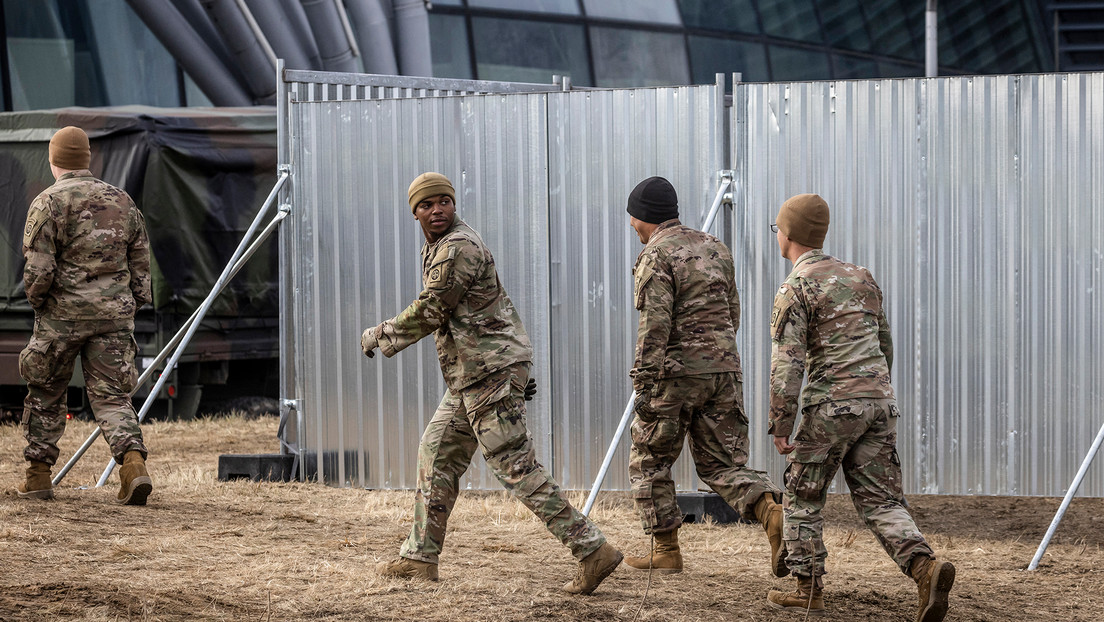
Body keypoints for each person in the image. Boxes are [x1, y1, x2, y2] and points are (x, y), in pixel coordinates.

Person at [361, 172, 622, 594]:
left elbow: (432, 310)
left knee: (515, 466)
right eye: (426, 205)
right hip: (476, 374)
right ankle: (419, 557)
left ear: (453, 203)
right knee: (438, 450)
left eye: (443, 201)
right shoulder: (439, 247)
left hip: (487, 373)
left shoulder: (457, 247)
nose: (437, 209)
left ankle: (592, 550)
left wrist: (381, 334)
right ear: (415, 213)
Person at [766, 193, 955, 621]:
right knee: (882, 500)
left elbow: (787, 362)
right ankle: (925, 568)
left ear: (789, 233)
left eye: (777, 227)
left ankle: (807, 588)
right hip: (879, 402)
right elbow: (884, 344)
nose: (776, 234)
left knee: (803, 491)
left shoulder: (796, 286)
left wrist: (781, 422)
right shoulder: (861, 277)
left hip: (833, 405)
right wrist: (873, 391)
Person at [623, 176, 786, 577]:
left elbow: (655, 323)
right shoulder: (715, 247)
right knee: (722, 464)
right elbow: (733, 311)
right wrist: (717, 357)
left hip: (674, 374)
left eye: (631, 217)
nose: (630, 224)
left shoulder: (656, 254)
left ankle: (665, 550)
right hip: (724, 370)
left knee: (649, 459)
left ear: (641, 217)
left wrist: (644, 380)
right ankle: (771, 513)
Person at [17, 126, 153, 505]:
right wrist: (130, 304)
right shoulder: (122, 201)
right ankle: (133, 466)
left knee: (46, 391)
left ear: (53, 159)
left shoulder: (47, 203)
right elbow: (141, 265)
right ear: (87, 158)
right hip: (113, 316)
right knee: (112, 397)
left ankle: (39, 476)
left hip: (61, 317)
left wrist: (40, 302)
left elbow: (38, 272)